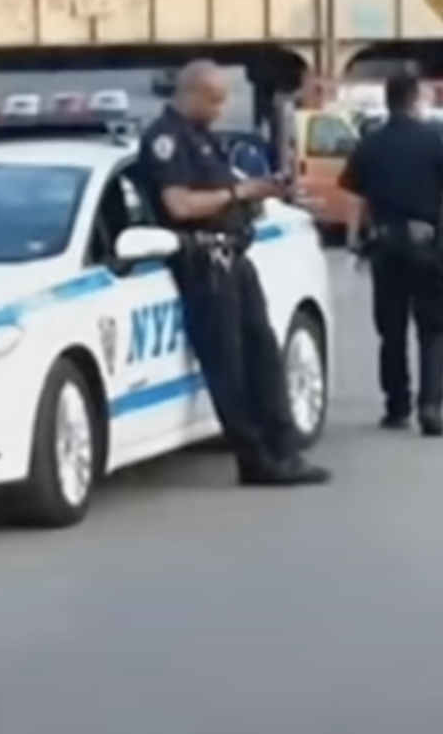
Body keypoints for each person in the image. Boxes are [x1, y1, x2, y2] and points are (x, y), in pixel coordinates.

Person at [132, 60, 330, 486]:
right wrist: (240, 191)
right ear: (191, 94)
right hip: (204, 265)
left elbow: (225, 193)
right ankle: (255, 458)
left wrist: (260, 194)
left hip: (234, 258)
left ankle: (284, 450)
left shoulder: (203, 137)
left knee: (264, 355)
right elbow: (179, 205)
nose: (220, 110)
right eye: (214, 101)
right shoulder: (166, 140)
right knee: (230, 366)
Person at [339, 72, 443, 437]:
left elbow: (356, 200)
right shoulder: (432, 141)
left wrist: (353, 243)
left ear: (388, 101)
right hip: (426, 246)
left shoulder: (371, 144)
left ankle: (397, 405)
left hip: (385, 247)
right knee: (433, 328)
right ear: (415, 100)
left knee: (391, 330)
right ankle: (430, 406)